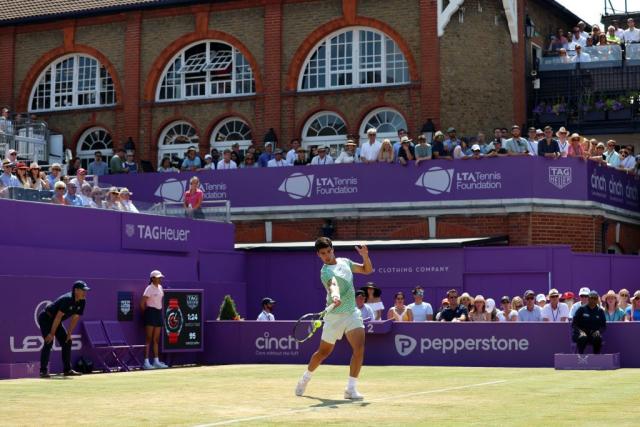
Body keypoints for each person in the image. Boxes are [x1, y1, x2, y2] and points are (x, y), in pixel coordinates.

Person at [295, 238, 372, 400]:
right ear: (318, 255)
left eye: (328, 251)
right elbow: (333, 285)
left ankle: (351, 389)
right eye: (323, 254)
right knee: (323, 353)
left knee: (359, 348)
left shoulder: (345, 262)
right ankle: (305, 378)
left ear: (333, 249)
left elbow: (367, 270)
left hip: (351, 313)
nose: (327, 256)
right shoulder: (325, 272)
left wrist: (365, 256)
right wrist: (335, 296)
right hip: (334, 317)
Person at [37, 280, 90, 377]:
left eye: (86, 290)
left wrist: (69, 334)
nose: (85, 292)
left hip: (56, 320)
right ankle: (43, 371)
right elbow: (58, 317)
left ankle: (67, 370)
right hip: (46, 318)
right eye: (83, 290)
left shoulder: (83, 301)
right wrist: (52, 333)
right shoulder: (67, 299)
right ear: (76, 290)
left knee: (67, 341)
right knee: (49, 341)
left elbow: (75, 317)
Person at [140, 270, 169, 370]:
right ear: (152, 278)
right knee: (148, 339)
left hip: (158, 313)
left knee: (156, 340)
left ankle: (156, 361)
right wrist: (147, 314)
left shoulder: (160, 288)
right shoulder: (149, 288)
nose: (160, 279)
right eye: (158, 277)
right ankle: (146, 362)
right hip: (150, 313)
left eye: (160, 277)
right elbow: (142, 303)